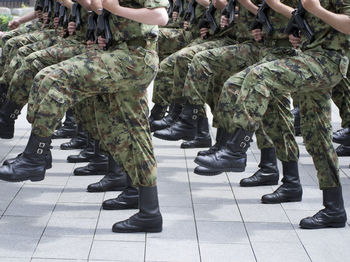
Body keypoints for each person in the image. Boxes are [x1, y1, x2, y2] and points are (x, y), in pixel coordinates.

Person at [196, 0, 350, 229]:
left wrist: (315, 9)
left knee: (259, 77)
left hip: (329, 61)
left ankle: (237, 149)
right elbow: (312, 25)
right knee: (316, 135)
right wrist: (299, 34)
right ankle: (334, 208)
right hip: (309, 56)